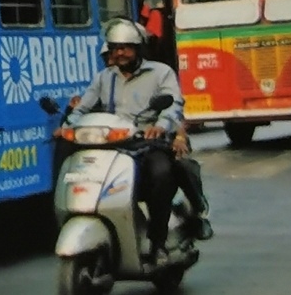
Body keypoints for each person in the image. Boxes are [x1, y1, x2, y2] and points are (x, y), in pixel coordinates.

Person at [69, 18, 205, 263]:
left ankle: (158, 242)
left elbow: (173, 104)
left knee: (161, 174)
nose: (119, 53)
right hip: (113, 145)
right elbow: (84, 106)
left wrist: (160, 126)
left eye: (125, 48)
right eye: (115, 48)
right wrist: (68, 125)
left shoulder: (161, 73)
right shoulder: (104, 78)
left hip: (148, 143)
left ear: (138, 49)